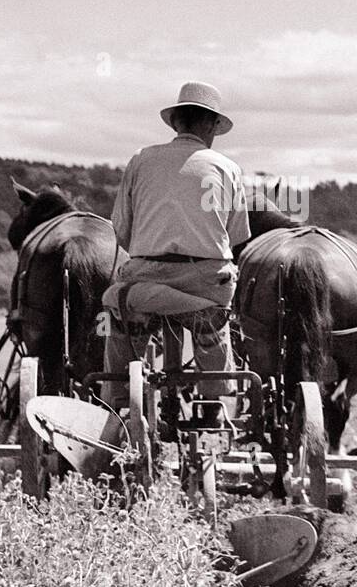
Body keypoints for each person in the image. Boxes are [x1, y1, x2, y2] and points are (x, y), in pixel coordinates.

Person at [102, 81, 250, 410]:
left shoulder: (141, 160)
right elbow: (236, 236)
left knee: (119, 316)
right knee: (216, 317)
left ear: (175, 122)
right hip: (206, 284)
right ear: (212, 125)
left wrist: (150, 252)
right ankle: (214, 398)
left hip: (147, 277)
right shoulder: (228, 168)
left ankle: (119, 396)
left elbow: (121, 227)